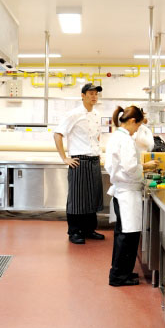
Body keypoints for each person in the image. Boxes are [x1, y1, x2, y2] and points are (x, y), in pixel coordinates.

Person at [105, 105, 151, 286]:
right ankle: (118, 276)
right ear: (132, 121)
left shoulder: (116, 136)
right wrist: (144, 167)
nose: (137, 130)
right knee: (128, 236)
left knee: (123, 234)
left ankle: (122, 272)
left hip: (122, 190)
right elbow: (130, 167)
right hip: (127, 193)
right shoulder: (125, 140)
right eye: (138, 126)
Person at [55, 83, 105, 244]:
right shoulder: (73, 114)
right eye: (91, 93)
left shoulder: (97, 114)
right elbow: (57, 134)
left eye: (96, 93)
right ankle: (75, 232)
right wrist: (64, 158)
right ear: (83, 95)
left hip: (94, 160)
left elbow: (96, 137)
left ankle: (89, 230)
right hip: (79, 161)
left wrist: (98, 152)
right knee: (77, 199)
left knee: (92, 198)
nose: (94, 96)